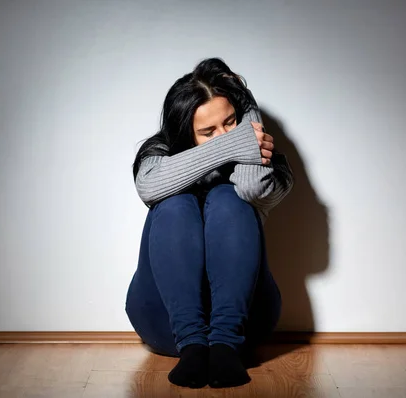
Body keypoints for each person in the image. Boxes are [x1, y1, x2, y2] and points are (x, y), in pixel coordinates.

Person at [125, 58, 294, 389]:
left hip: (246, 324)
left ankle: (223, 345)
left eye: (231, 123)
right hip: (163, 321)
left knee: (230, 197)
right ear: (184, 133)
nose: (225, 135)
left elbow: (251, 187)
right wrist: (233, 142)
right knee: (174, 202)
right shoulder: (159, 152)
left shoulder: (267, 157)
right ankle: (192, 346)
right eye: (208, 132)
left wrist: (247, 106)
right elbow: (149, 187)